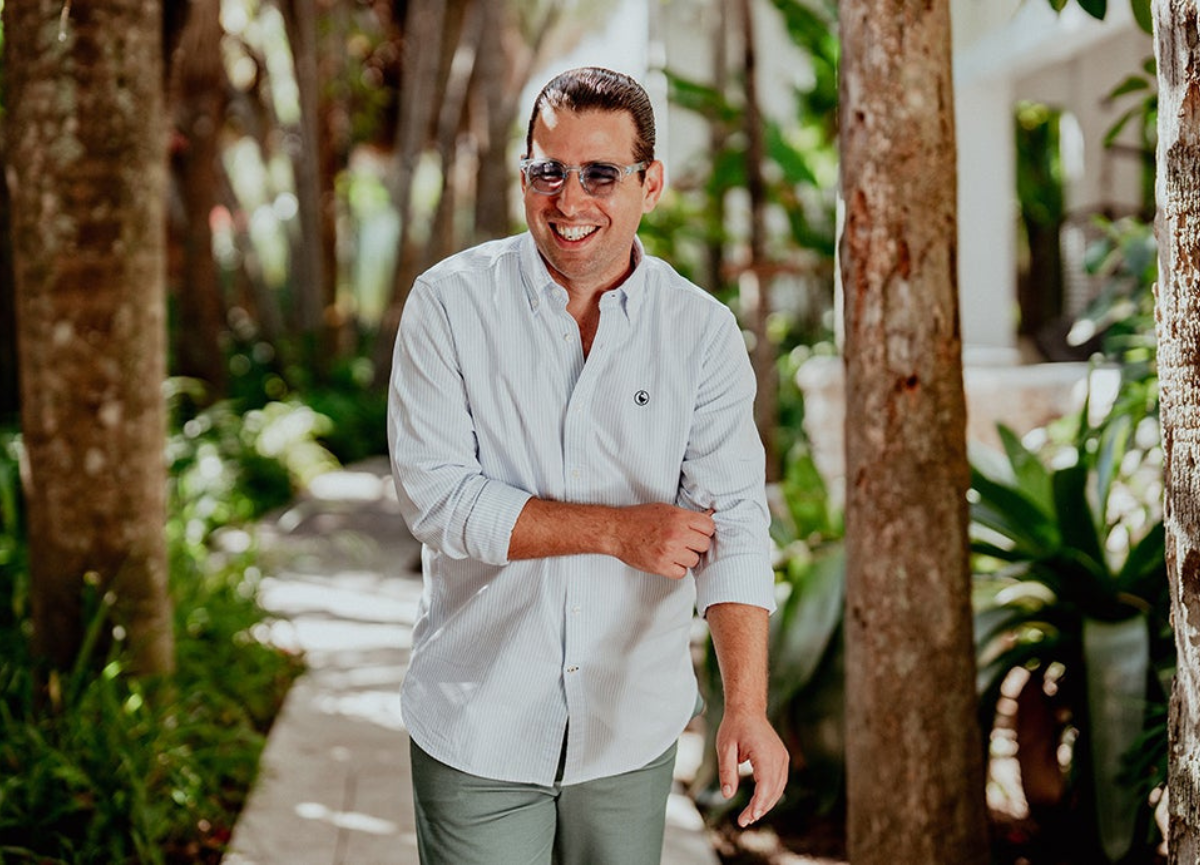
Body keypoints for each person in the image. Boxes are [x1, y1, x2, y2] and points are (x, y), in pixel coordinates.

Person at [387, 66, 788, 865]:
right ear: (525, 175)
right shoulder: (448, 306)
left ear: (651, 183)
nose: (570, 200)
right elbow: (438, 500)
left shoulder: (701, 334)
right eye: (549, 171)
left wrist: (746, 703)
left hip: (627, 730)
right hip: (478, 720)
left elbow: (735, 519)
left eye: (600, 172)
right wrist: (617, 531)